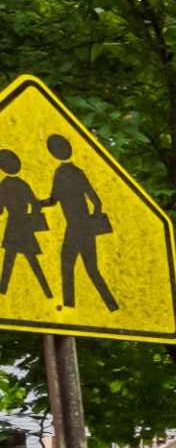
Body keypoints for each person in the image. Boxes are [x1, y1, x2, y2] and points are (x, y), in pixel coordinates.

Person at [43, 132, 117, 315]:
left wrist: (35, 203)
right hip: (80, 226)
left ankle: (71, 306)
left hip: (77, 227)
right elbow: (95, 201)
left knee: (71, 265)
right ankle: (110, 305)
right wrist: (92, 220)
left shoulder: (66, 173)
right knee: (88, 268)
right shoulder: (69, 172)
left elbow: (55, 200)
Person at [0, 149, 44, 304]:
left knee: (9, 259)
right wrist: (32, 218)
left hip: (13, 225)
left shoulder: (4, 185)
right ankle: (47, 291)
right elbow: (35, 204)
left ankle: (3, 289)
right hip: (24, 225)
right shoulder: (23, 184)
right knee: (31, 260)